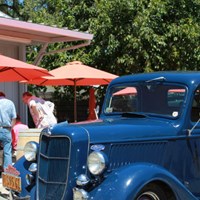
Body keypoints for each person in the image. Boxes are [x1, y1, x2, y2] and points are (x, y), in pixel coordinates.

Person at [0, 91, 17, 170]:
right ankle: (8, 172)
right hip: (6, 129)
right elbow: (14, 118)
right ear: (4, 96)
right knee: (7, 152)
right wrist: (11, 128)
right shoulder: (10, 103)